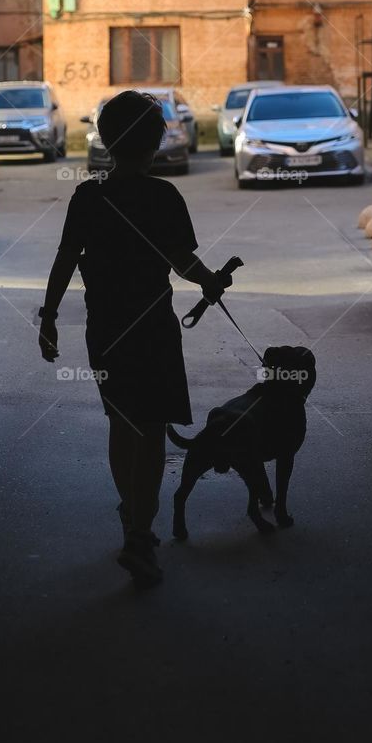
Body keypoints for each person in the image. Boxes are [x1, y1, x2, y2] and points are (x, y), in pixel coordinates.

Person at [37, 89, 232, 587]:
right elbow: (182, 262)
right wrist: (211, 279)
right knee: (149, 432)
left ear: (105, 141)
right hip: (153, 329)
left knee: (123, 425)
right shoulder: (164, 197)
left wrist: (49, 316)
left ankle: (134, 522)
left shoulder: (88, 197)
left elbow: (64, 261)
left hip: (104, 330)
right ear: (155, 143)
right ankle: (140, 535)